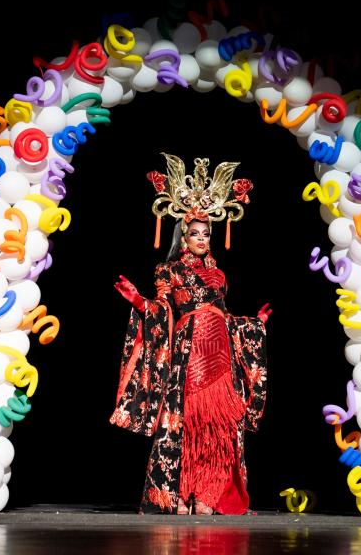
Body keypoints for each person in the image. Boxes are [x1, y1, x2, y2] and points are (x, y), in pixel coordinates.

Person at [110, 153, 271, 515]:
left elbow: (224, 316)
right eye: (195, 233)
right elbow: (164, 311)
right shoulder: (168, 270)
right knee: (187, 422)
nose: (202, 239)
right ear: (183, 236)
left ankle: (209, 494)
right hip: (190, 351)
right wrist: (139, 301)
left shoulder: (220, 275)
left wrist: (251, 324)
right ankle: (180, 492)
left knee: (219, 426)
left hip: (221, 350)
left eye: (206, 233)